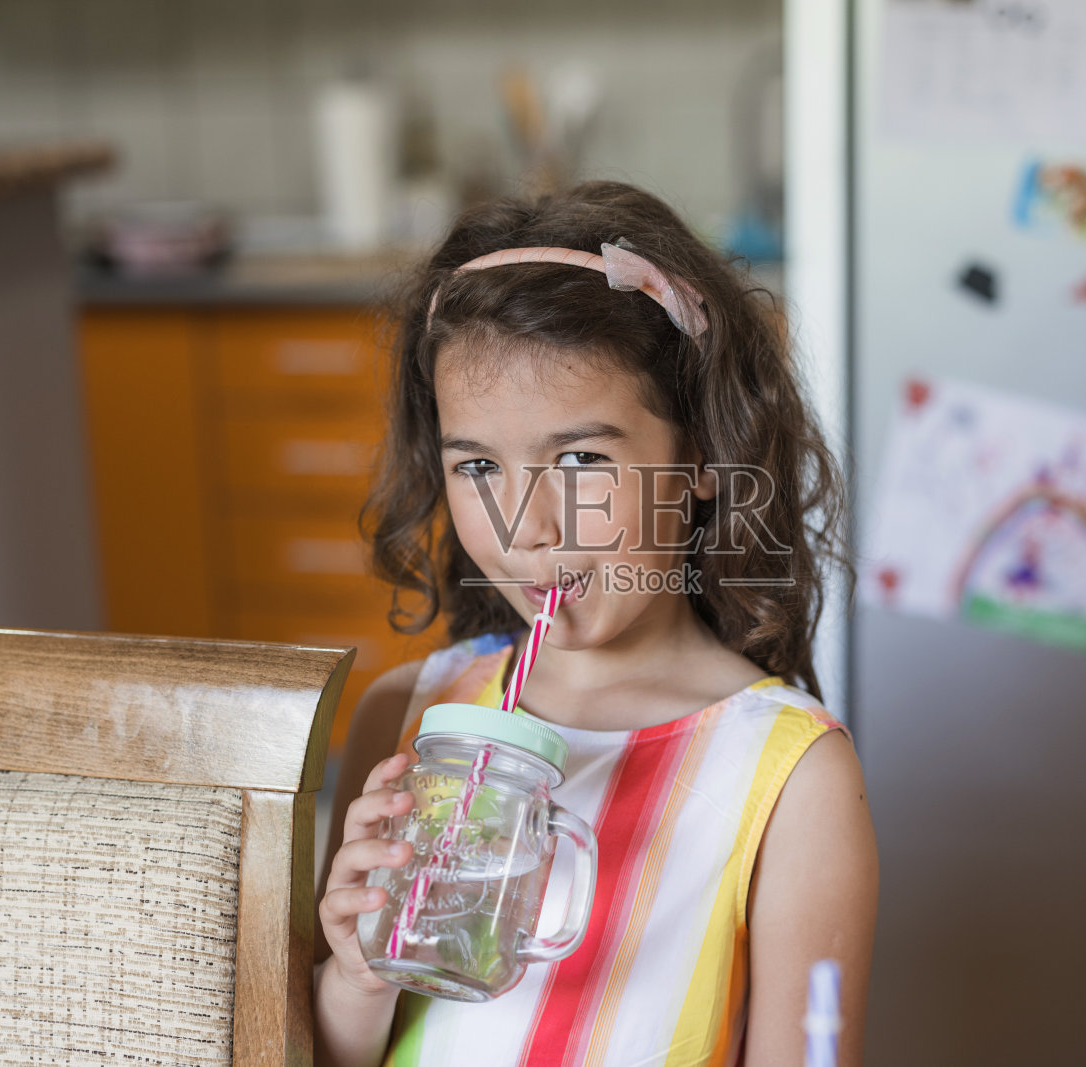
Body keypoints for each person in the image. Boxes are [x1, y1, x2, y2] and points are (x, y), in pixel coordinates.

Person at [313, 181, 877, 1067]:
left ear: (697, 458)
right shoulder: (405, 717)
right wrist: (357, 978)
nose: (526, 524)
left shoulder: (792, 778)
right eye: (478, 467)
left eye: (579, 458)